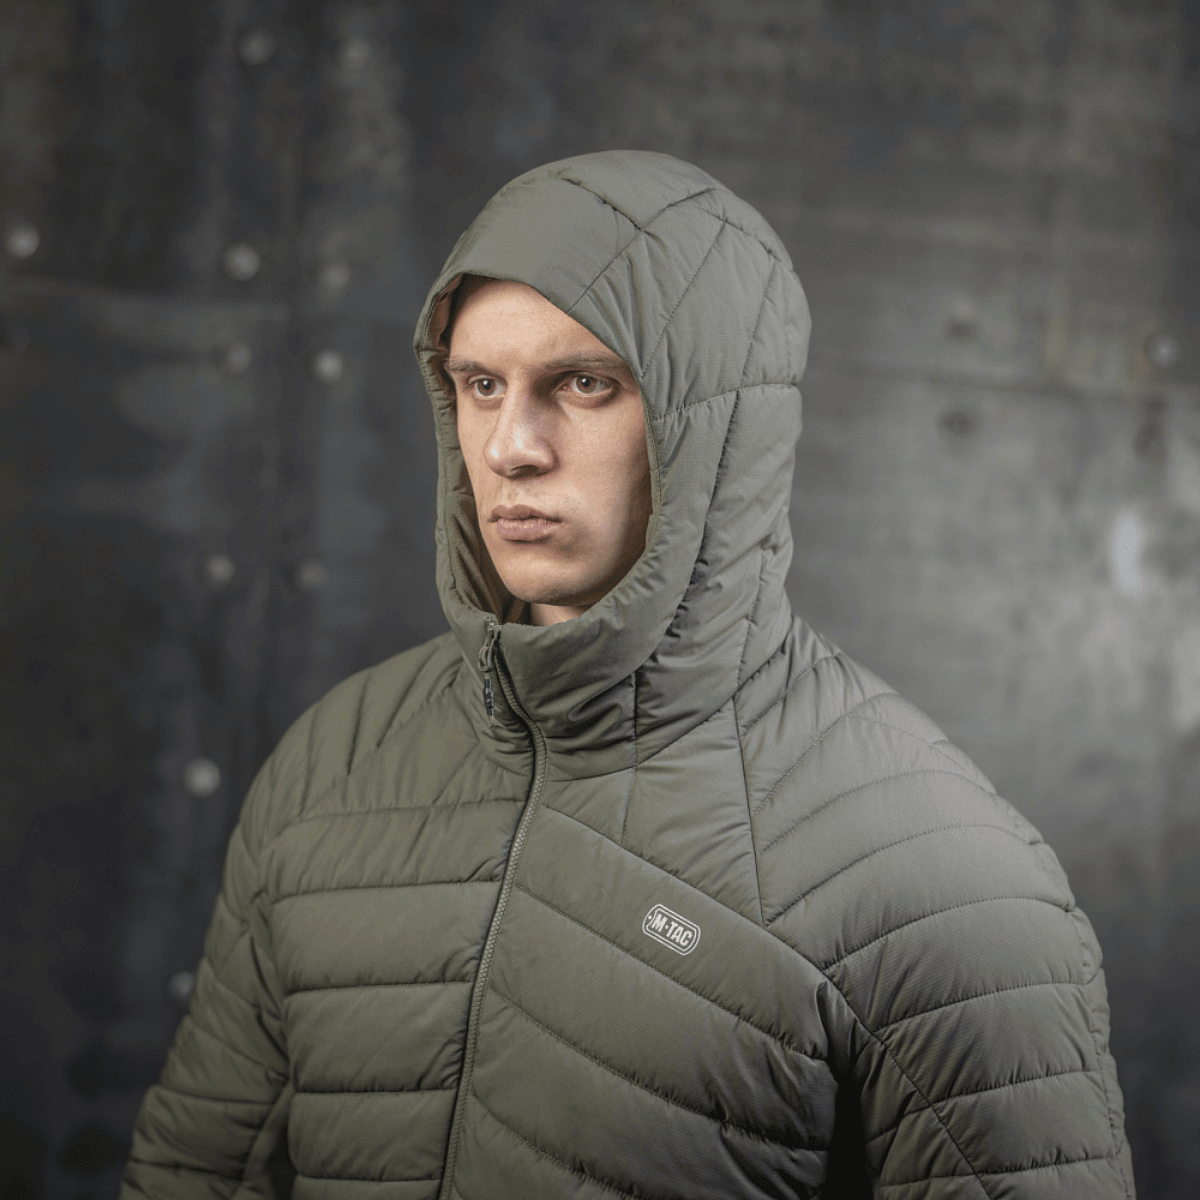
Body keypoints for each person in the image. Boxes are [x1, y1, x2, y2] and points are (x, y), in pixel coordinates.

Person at [123, 150, 1136, 1199]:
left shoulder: (943, 879)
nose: (510, 448)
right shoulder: (332, 766)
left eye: (584, 384)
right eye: (480, 385)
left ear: (720, 426)